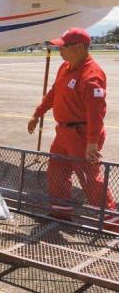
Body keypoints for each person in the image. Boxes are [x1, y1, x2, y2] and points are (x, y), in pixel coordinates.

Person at [28, 27, 115, 220]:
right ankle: (61, 212)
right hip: (64, 133)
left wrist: (92, 142)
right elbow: (53, 93)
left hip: (83, 135)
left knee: (89, 180)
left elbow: (96, 112)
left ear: (78, 47)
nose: (60, 50)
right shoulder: (65, 67)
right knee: (56, 172)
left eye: (63, 46)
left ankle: (112, 222)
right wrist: (38, 113)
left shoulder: (91, 75)